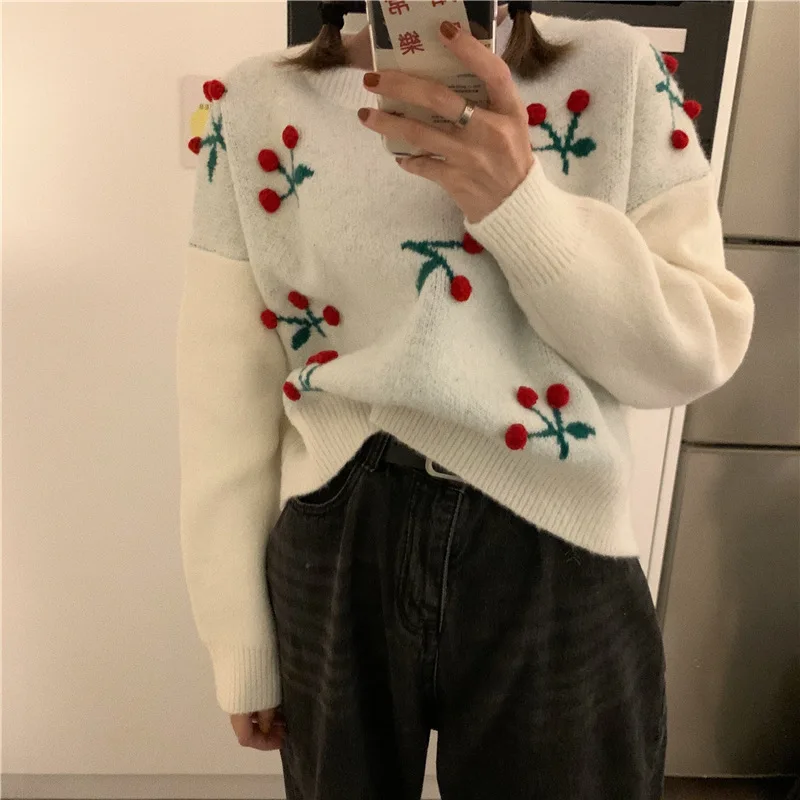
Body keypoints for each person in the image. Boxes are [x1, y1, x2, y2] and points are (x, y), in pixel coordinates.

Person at [176, 1, 755, 797]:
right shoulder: (254, 102)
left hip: (556, 538)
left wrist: (523, 202)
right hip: (338, 531)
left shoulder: (617, 75)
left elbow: (696, 350)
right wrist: (236, 638)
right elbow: (221, 398)